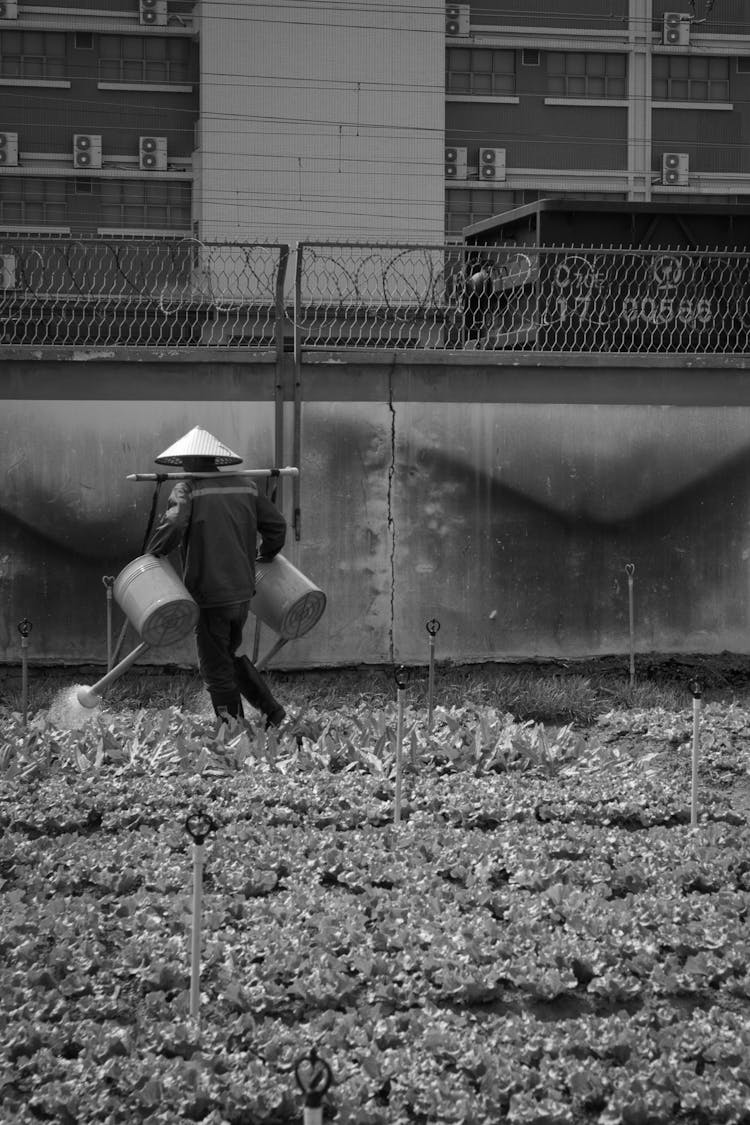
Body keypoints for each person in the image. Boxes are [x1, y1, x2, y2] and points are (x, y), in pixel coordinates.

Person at [146, 425, 287, 728]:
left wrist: (154, 554)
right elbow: (276, 526)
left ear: (191, 461)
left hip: (209, 592)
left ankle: (233, 729)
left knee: (214, 666)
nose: (183, 466)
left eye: (185, 461)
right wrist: (267, 553)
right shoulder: (247, 486)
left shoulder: (188, 488)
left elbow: (173, 524)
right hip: (242, 591)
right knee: (227, 654)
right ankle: (272, 712)